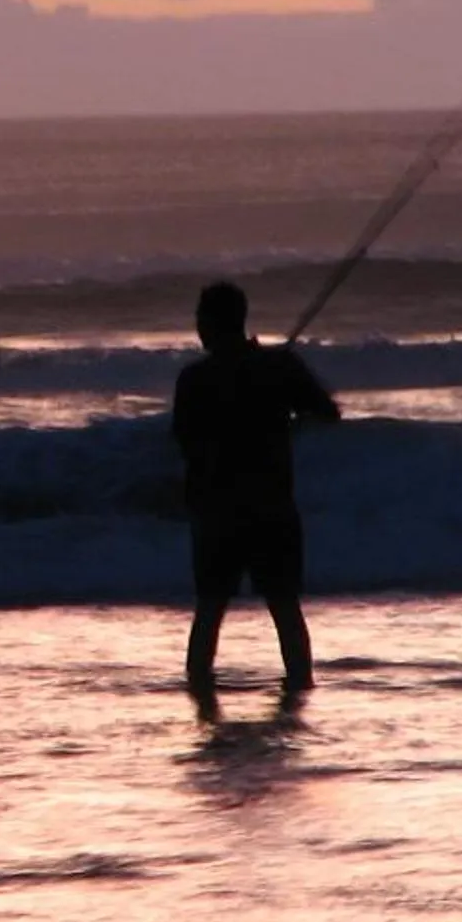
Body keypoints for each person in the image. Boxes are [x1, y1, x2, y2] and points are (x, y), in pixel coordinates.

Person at [171, 281, 339, 725]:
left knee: (209, 612)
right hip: (271, 508)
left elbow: (185, 443)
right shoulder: (277, 367)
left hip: (217, 513)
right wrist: (287, 413)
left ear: (210, 324)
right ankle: (299, 694)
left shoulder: (196, 379)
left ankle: (202, 703)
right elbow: (327, 412)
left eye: (201, 320)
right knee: (285, 608)